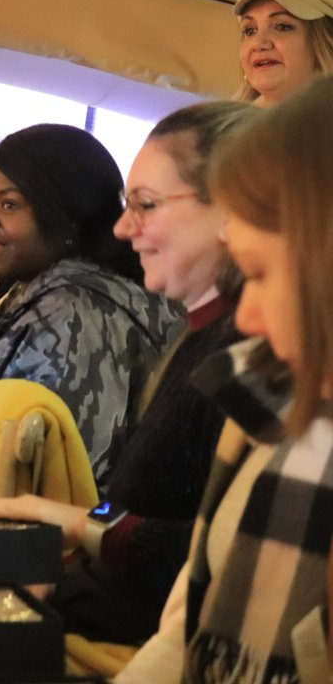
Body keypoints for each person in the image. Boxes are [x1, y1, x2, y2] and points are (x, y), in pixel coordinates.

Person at [0, 101, 256, 646]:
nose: (121, 226)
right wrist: (74, 519)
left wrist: (79, 525)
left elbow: (236, 559)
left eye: (145, 204)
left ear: (234, 210)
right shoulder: (202, 336)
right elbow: (161, 510)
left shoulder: (248, 355)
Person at [117, 75, 333, 683]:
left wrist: (88, 530)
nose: (249, 319)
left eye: (261, 274)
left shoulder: (265, 405)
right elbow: (190, 634)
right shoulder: (274, 428)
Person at [0, 124, 179, 499]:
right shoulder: (30, 293)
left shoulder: (79, 318)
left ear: (67, 215)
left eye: (9, 204)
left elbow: (40, 494)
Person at [234, 0, 333, 106]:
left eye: (282, 27)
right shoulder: (218, 127)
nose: (258, 43)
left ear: (324, 43)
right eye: (250, 31)